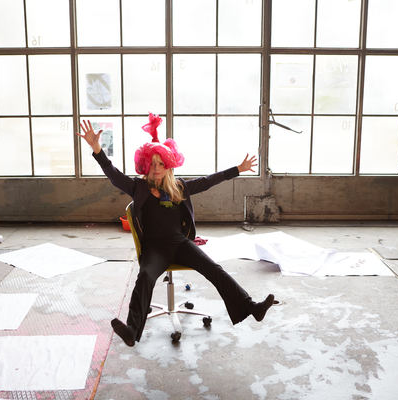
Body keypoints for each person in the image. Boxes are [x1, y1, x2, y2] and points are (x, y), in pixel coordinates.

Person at [77, 113, 275, 347]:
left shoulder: (179, 187)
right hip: (155, 249)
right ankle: (131, 329)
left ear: (168, 165)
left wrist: (238, 169)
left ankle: (251, 308)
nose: (156, 168)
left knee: (215, 269)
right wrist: (97, 149)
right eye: (152, 164)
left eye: (161, 164)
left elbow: (208, 181)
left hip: (181, 245)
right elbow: (113, 175)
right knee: (145, 276)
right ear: (145, 165)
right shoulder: (139, 187)